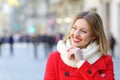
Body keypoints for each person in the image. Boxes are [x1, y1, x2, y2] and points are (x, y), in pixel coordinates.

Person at [44, 11, 114, 80]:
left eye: (83, 31)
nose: (76, 34)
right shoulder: (55, 58)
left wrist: (81, 63)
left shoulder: (105, 60)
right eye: (74, 28)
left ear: (94, 35)